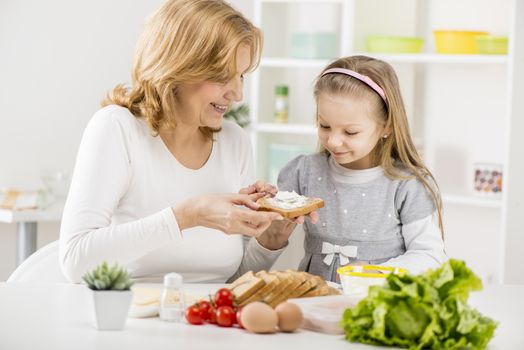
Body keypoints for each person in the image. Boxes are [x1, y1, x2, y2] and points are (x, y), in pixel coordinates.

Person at [59, 0, 311, 284]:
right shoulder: (118, 128)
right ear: (178, 67)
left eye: (240, 76)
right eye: (222, 77)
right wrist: (188, 215)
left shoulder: (234, 142)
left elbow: (233, 279)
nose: (238, 94)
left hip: (210, 324)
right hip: (129, 319)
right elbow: (75, 260)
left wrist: (271, 238)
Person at [274, 55, 447, 282]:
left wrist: (379, 272)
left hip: (377, 304)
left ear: (386, 127)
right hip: (315, 302)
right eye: (325, 126)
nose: (334, 141)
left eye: (350, 132)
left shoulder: (407, 184)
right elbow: (272, 224)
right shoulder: (303, 172)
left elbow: (430, 256)